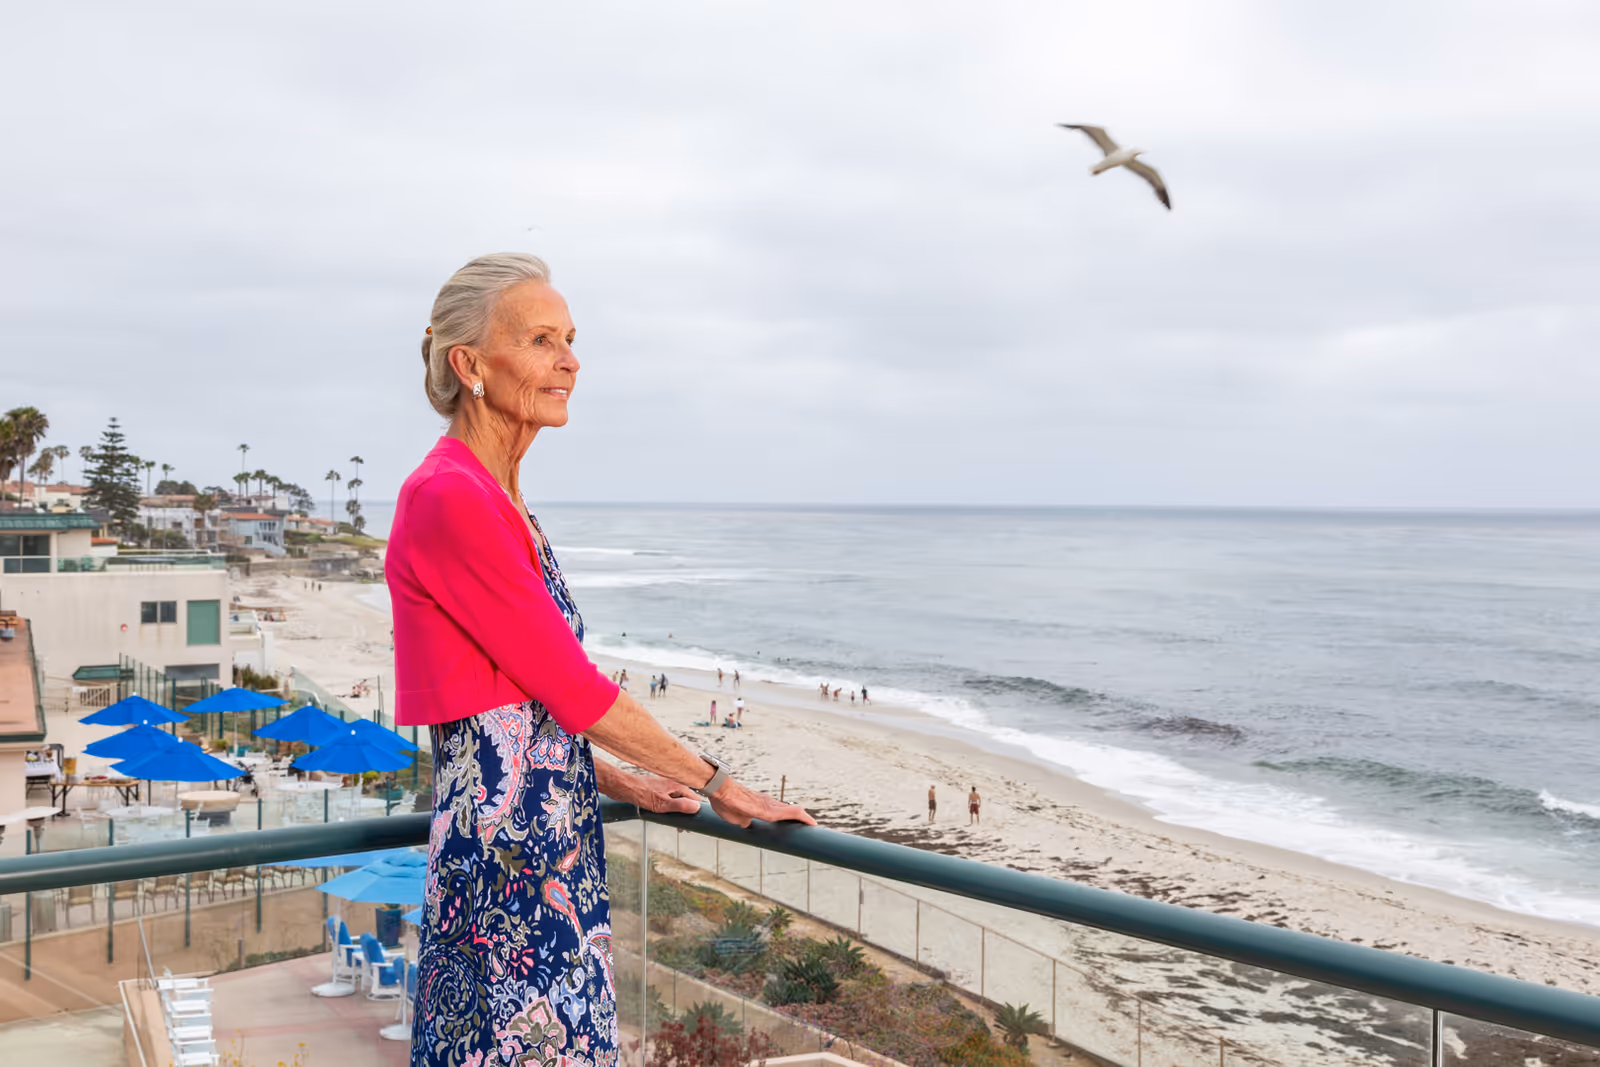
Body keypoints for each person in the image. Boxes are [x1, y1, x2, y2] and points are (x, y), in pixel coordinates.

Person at [390, 253, 812, 1067]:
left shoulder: (498, 495)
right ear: (469, 364)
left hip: (549, 844)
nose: (571, 361)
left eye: (571, 339)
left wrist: (621, 781)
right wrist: (718, 784)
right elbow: (574, 691)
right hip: (511, 864)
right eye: (542, 338)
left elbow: (512, 705)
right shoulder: (451, 496)